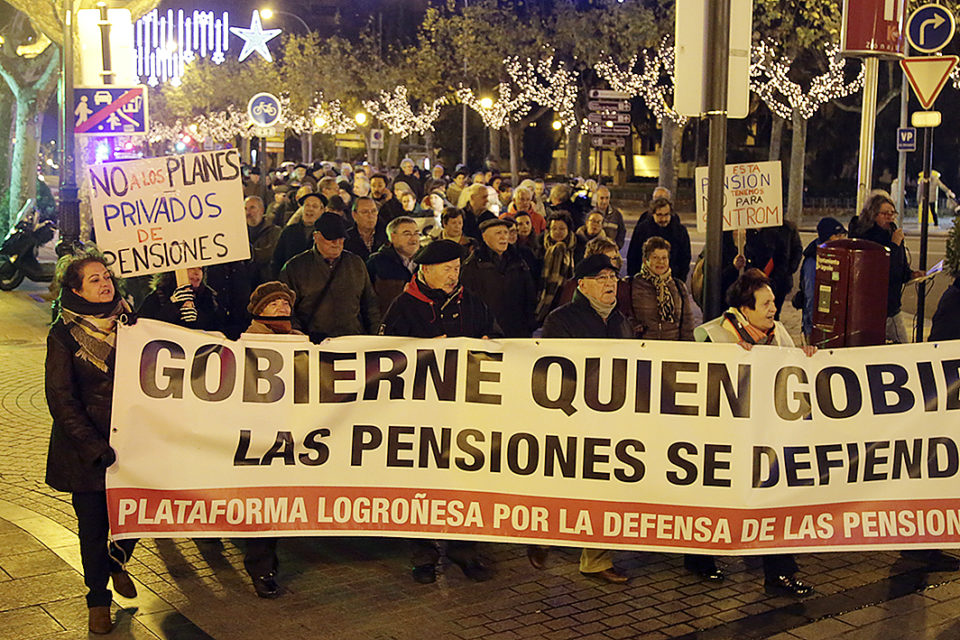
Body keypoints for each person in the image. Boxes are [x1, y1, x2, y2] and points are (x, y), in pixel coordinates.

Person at [693, 268, 814, 597]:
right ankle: (698, 556)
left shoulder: (777, 333)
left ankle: (780, 573)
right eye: (766, 303)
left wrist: (807, 359)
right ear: (745, 309)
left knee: (774, 499)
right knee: (717, 498)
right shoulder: (713, 336)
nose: (774, 308)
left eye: (774, 301)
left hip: (766, 438)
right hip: (726, 439)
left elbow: (794, 372)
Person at [45, 252, 138, 634]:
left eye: (107, 277)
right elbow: (61, 399)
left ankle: (116, 562)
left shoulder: (133, 324)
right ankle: (97, 598)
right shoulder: (63, 334)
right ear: (76, 289)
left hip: (133, 444)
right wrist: (93, 447)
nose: (105, 283)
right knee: (94, 528)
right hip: (86, 453)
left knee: (132, 522)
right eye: (95, 279)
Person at [531, 254, 633, 583]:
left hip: (610, 421)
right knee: (564, 486)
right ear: (583, 285)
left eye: (613, 278)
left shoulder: (620, 321)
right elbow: (551, 369)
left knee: (603, 488)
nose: (609, 284)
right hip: (571, 419)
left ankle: (596, 559)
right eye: (601, 278)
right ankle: (542, 536)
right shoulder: (562, 320)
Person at [241, 282, 305, 599]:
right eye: (273, 302)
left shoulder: (299, 340)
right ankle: (261, 568)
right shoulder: (246, 344)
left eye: (285, 301)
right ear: (258, 309)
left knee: (278, 503)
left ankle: (266, 564)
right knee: (262, 505)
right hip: (260, 435)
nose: (281, 306)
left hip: (291, 433)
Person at [280, 212, 380, 341]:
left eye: (341, 238)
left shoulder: (355, 263)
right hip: (314, 343)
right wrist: (299, 338)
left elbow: (370, 304)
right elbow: (287, 309)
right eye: (331, 239)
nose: (336, 243)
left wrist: (376, 337)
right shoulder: (295, 267)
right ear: (316, 236)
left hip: (352, 340)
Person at [849, 190, 924, 343]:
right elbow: (880, 268)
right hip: (877, 305)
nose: (890, 217)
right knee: (901, 346)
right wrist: (894, 245)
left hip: (892, 301)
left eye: (892, 213)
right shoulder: (868, 236)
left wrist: (910, 274)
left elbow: (898, 264)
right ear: (873, 214)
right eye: (885, 213)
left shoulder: (892, 231)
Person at [461, 218, 538, 338]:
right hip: (488, 333)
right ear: (485, 237)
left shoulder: (519, 261)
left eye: (506, 233)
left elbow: (529, 295)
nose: (504, 237)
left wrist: (529, 325)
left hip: (517, 331)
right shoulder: (473, 265)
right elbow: (468, 302)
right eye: (498, 233)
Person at [631, 237, 695, 340]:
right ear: (645, 260)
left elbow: (687, 324)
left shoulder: (678, 286)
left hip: (671, 349)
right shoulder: (633, 285)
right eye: (655, 257)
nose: (660, 262)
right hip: (643, 349)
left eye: (664, 258)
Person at [798, 218, 846, 341]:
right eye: (836, 235)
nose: (841, 238)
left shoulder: (839, 256)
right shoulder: (813, 261)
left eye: (843, 234)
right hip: (817, 325)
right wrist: (813, 327)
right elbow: (811, 296)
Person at [138, 268, 226, 331]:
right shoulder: (157, 297)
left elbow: (222, 327)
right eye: (191, 268)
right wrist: (172, 305)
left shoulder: (209, 297)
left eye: (200, 268)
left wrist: (198, 318)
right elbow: (144, 327)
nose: (196, 273)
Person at [535, 211, 584, 324]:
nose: (558, 232)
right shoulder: (540, 247)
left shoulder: (579, 248)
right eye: (554, 228)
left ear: (569, 230)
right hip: (545, 295)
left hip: (568, 295)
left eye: (562, 228)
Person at [627, 197, 691, 281]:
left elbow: (685, 258)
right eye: (659, 215)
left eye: (666, 215)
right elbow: (633, 256)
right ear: (653, 214)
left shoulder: (680, 231)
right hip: (645, 280)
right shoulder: (642, 230)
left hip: (672, 279)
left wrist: (679, 280)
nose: (663, 219)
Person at [367, 216, 421, 316]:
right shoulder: (377, 263)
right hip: (390, 323)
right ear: (393, 237)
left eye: (416, 233)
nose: (414, 239)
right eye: (407, 234)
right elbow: (368, 301)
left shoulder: (426, 262)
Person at [272, 192, 325, 277]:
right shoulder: (289, 231)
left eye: (314, 206)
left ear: (322, 210)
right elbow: (277, 259)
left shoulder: (325, 233)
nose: (310, 209)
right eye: (307, 205)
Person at [246, 196, 282, 288]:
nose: (248, 212)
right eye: (245, 208)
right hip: (246, 282)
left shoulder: (274, 231)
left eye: (252, 207)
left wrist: (246, 251)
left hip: (265, 281)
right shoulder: (239, 232)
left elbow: (267, 254)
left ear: (261, 210)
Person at [344, 196, 387, 261]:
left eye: (373, 211)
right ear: (354, 215)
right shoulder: (346, 239)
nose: (370, 216)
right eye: (365, 212)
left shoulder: (386, 236)